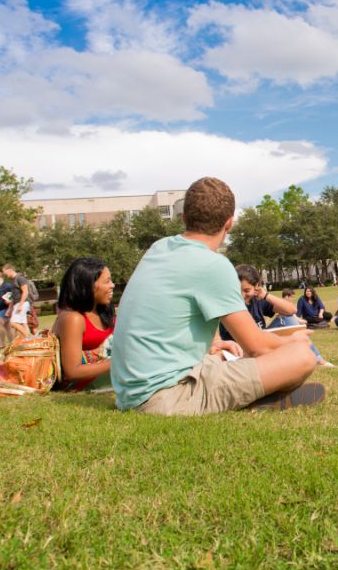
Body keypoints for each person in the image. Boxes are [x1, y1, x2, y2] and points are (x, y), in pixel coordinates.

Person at [110, 177, 323, 416]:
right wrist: (292, 341)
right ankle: (259, 396)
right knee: (302, 356)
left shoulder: (159, 248)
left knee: (224, 356)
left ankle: (256, 391)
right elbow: (257, 347)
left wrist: (214, 344)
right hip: (164, 397)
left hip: (130, 392)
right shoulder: (214, 265)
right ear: (229, 223)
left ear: (183, 218)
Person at [52, 257, 115, 392]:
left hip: (106, 375)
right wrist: (119, 363)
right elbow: (72, 372)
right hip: (80, 384)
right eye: (107, 281)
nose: (112, 285)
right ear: (88, 285)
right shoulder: (73, 318)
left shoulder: (103, 311)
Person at [2, 263, 37, 339]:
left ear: (10, 270)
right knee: (24, 323)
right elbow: (14, 297)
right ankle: (28, 340)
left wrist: (21, 305)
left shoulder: (20, 278)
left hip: (23, 303)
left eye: (5, 272)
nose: (4, 274)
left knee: (13, 322)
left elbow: (25, 291)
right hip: (17, 304)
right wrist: (10, 308)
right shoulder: (13, 280)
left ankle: (30, 338)